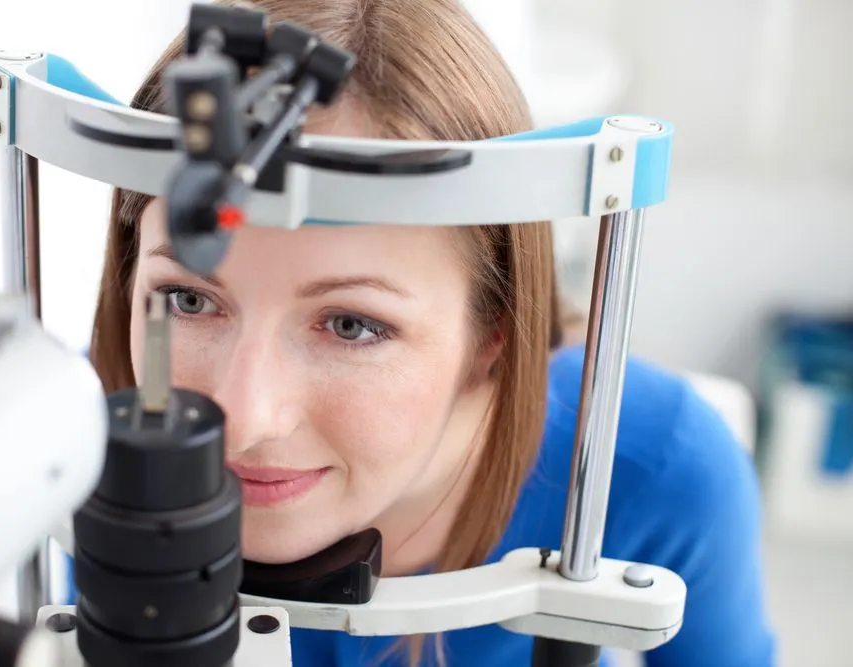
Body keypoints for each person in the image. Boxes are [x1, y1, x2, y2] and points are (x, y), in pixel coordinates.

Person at [88, 0, 777, 665]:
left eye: (351, 325)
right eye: (187, 298)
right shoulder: (74, 439)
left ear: (493, 334)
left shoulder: (660, 467)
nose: (243, 419)